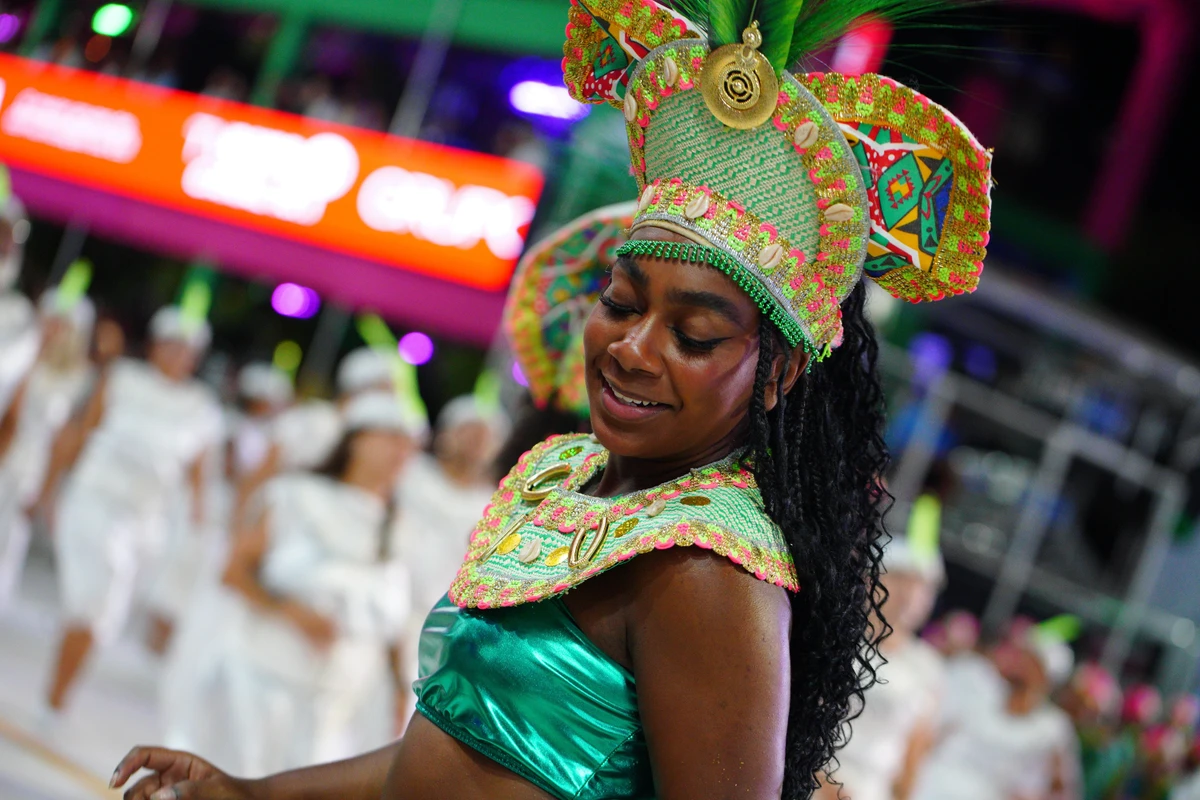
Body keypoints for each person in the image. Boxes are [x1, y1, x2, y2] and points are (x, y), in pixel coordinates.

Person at [110, 1, 993, 797]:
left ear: (778, 374)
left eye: (694, 338)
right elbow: (452, 749)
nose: (634, 349)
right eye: (621, 302)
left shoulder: (708, 572)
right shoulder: (566, 477)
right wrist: (253, 793)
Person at [220, 391, 419, 776]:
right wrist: (291, 613)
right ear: (357, 439)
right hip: (264, 678)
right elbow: (234, 571)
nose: (401, 451)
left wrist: (399, 690)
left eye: (408, 443)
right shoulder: (296, 494)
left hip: (336, 702)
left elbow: (394, 624)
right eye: (391, 436)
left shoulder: (397, 526)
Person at [44, 306, 222, 712]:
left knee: (104, 616)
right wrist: (50, 487)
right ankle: (54, 699)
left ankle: (58, 695)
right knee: (93, 603)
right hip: (95, 500)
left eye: (188, 349)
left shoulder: (200, 406)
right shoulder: (122, 378)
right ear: (157, 345)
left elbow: (199, 477)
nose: (180, 356)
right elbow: (82, 432)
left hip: (146, 522)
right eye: (174, 345)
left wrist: (199, 531)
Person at [819, 495, 947, 800]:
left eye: (922, 588)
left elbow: (913, 757)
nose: (911, 597)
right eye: (903, 582)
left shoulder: (929, 667)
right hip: (814, 777)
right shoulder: (837, 639)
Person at [390, 394, 506, 718]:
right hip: (383, 616)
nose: (475, 443)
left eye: (485, 437)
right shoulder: (410, 474)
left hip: (436, 633)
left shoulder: (493, 505)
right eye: (468, 431)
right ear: (446, 434)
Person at [0, 287, 96, 610]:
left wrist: (47, 490)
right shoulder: (13, 350)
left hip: (25, 469)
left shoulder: (76, 379)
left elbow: (64, 439)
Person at [914, 618, 1083, 800]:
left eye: (1029, 659)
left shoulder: (1053, 728)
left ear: (1043, 676)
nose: (1017, 661)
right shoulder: (976, 683)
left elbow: (1062, 789)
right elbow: (930, 733)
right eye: (1021, 654)